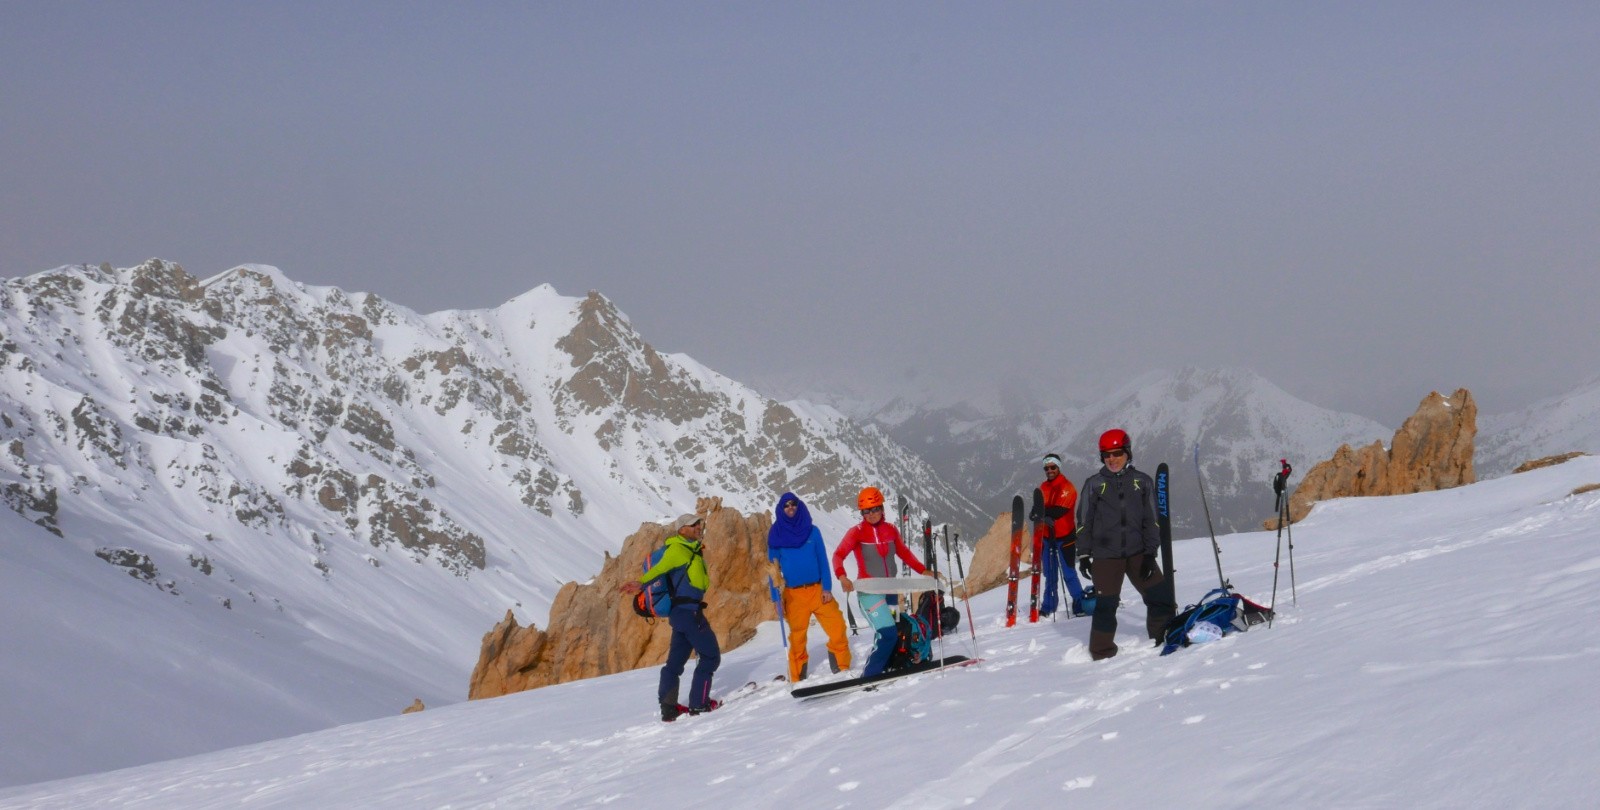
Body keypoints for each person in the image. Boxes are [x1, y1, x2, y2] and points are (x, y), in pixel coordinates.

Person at [1075, 430, 1177, 660]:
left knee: (1160, 597)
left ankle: (1162, 638)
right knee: (1106, 606)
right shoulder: (1094, 484)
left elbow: (1152, 522)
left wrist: (1151, 553)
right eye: (1106, 455)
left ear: (1127, 453)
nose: (1112, 459)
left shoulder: (1142, 481)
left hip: (1139, 553)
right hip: (1105, 556)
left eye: (1117, 453)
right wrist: (1083, 555)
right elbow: (1083, 522)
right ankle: (1102, 654)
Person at [621, 513, 721, 721]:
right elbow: (660, 569)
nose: (697, 527)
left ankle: (668, 708)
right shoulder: (677, 549)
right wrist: (640, 583)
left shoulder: (690, 549)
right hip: (688, 613)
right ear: (682, 529)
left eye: (698, 524)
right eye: (692, 524)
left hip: (681, 615)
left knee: (674, 664)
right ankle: (699, 704)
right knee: (710, 656)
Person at [831, 486, 935, 678]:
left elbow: (904, 553)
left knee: (895, 630)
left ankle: (891, 665)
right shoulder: (857, 532)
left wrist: (923, 570)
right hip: (870, 593)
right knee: (886, 633)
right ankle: (870, 675)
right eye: (866, 511)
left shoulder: (891, 530)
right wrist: (842, 576)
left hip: (891, 592)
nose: (871, 514)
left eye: (875, 509)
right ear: (862, 513)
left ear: (882, 508)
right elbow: (838, 555)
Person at [767, 492, 853, 682]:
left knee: (837, 626)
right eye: (786, 506)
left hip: (818, 590)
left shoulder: (812, 531)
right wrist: (776, 599)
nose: (790, 508)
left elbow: (822, 560)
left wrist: (827, 588)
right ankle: (797, 678)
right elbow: (773, 572)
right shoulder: (776, 535)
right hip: (793, 594)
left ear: (799, 506)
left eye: (793, 504)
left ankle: (841, 666)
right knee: (797, 639)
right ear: (781, 510)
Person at [1032, 453, 1086, 617]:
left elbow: (1059, 510)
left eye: (1053, 467)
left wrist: (1041, 513)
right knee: (1050, 574)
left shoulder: (1067, 487)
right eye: (1046, 468)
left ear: (1058, 467)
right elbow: (1037, 508)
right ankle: (1049, 606)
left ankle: (1079, 603)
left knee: (1069, 573)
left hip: (1065, 537)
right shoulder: (1043, 487)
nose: (1049, 470)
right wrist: (1038, 513)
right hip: (1048, 538)